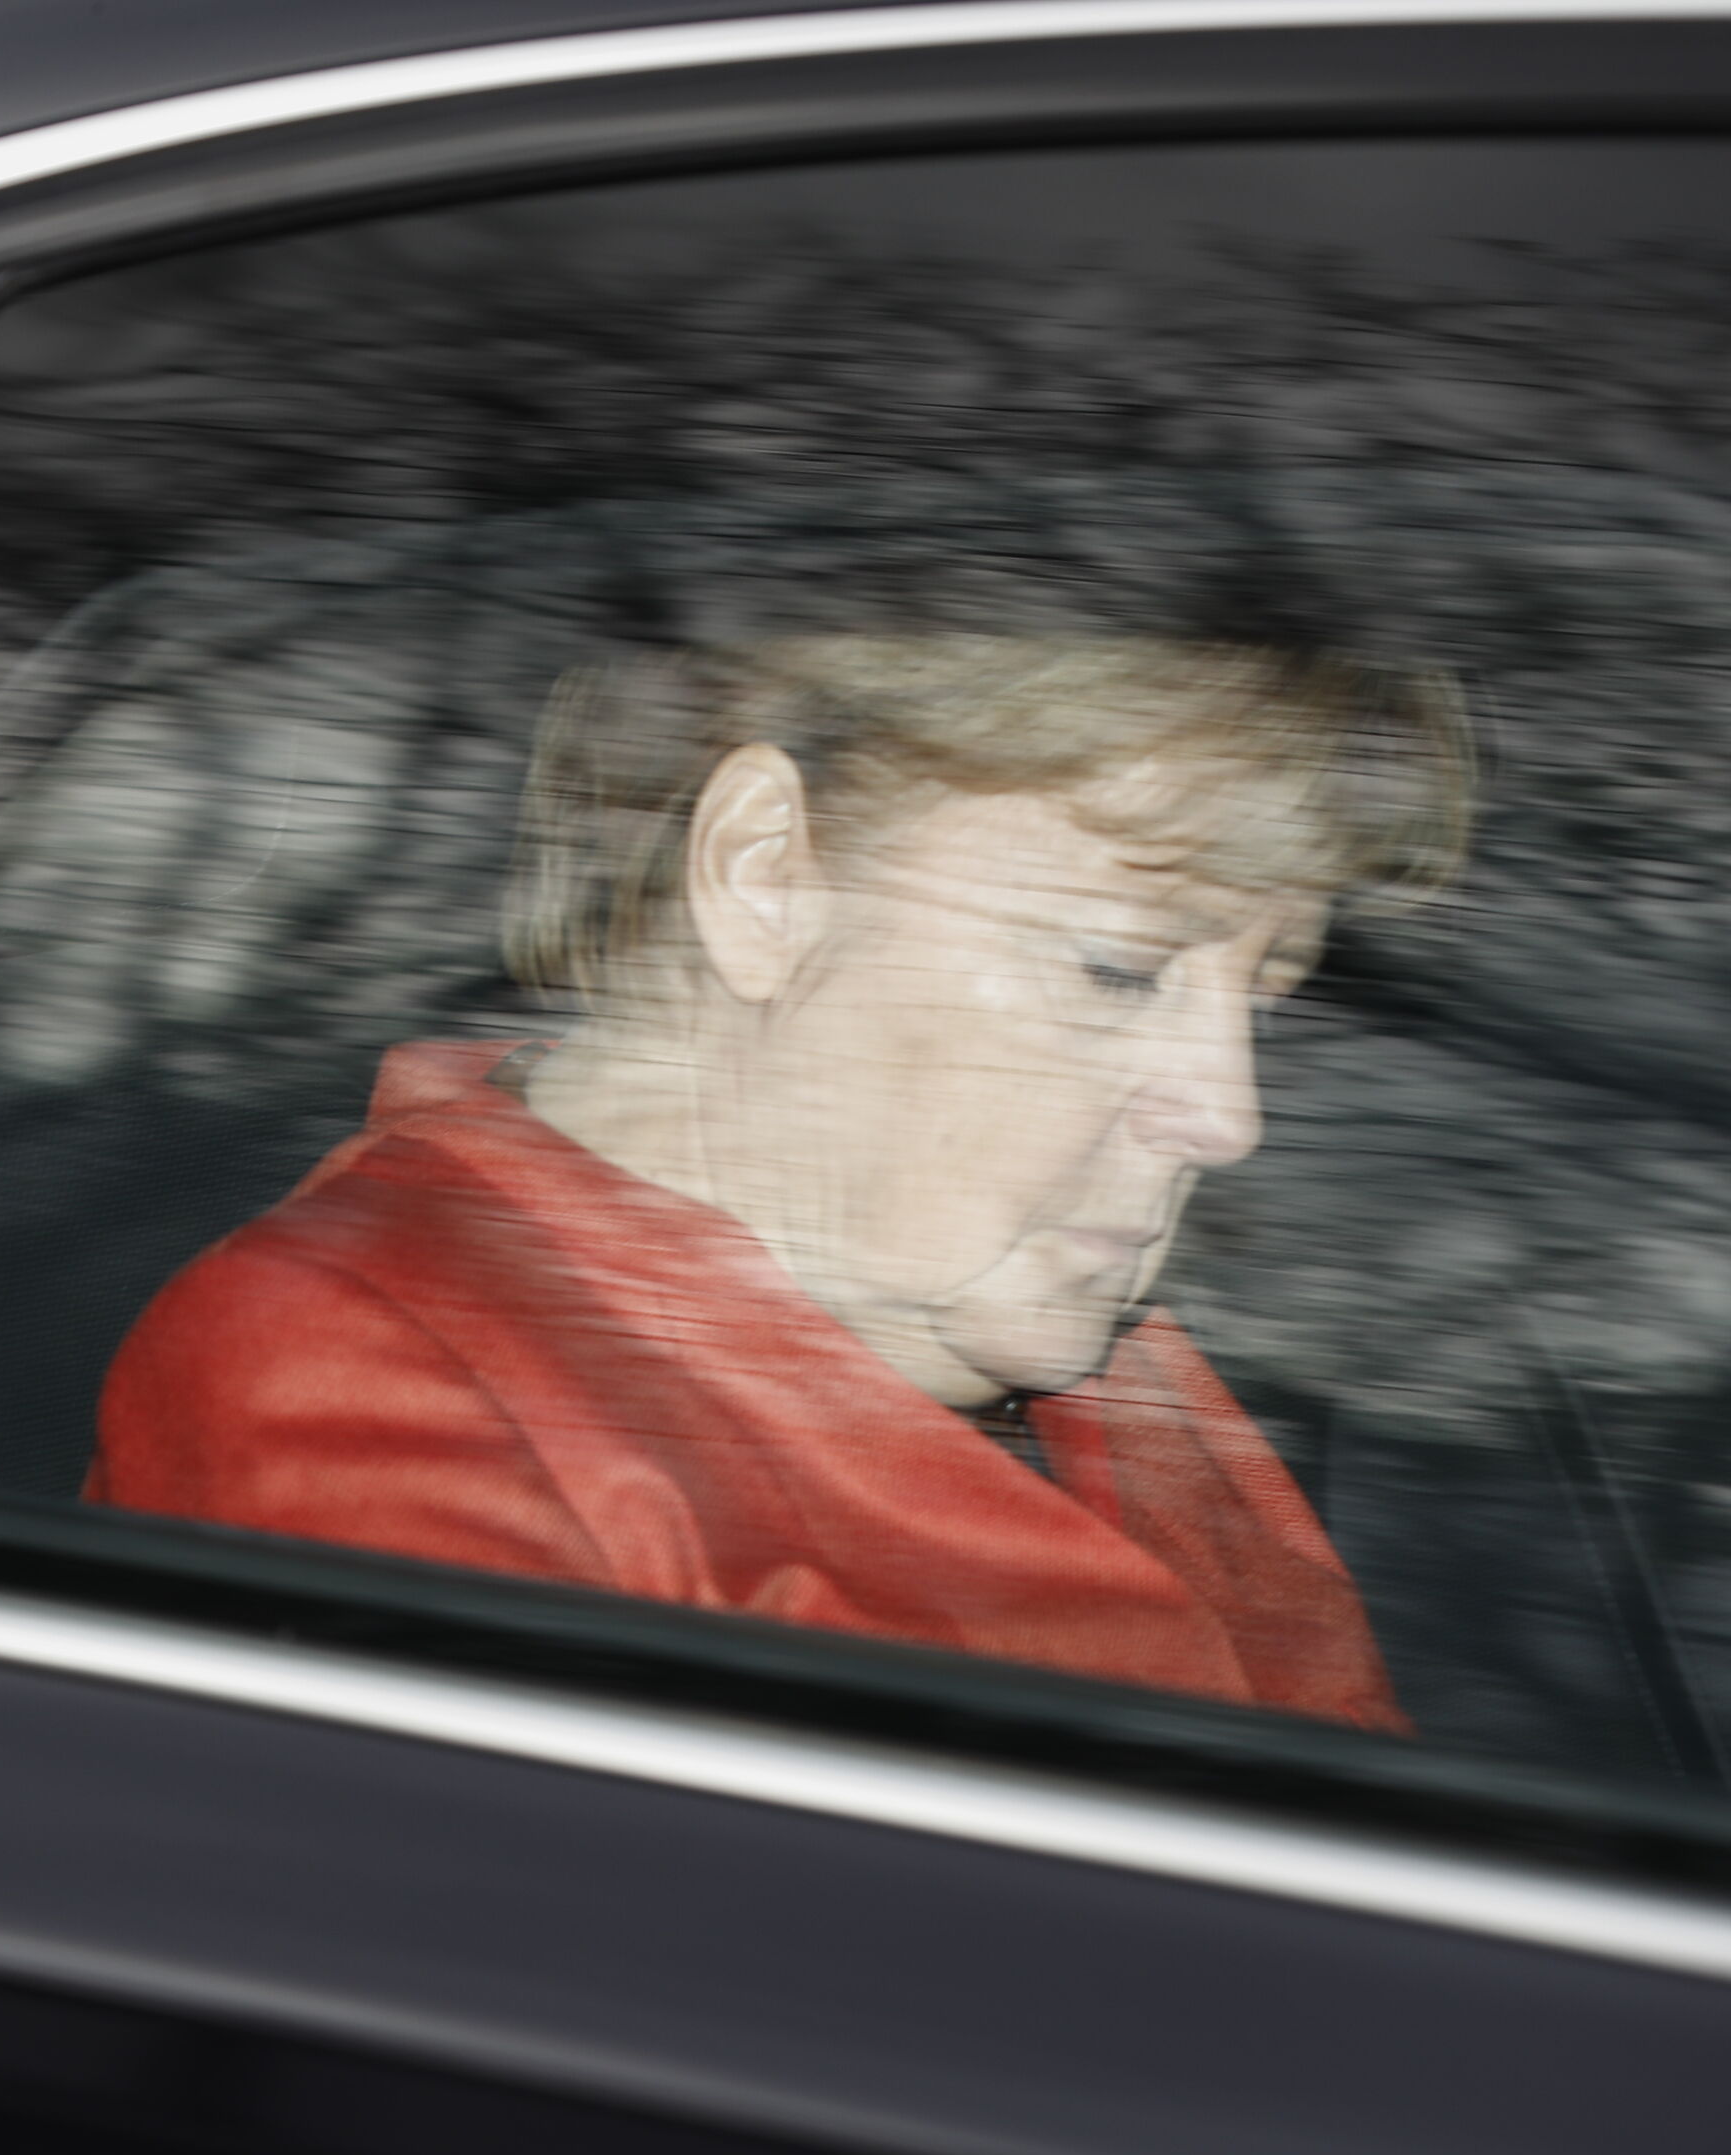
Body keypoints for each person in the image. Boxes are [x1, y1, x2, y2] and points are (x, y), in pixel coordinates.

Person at [90, 634, 1471, 1727]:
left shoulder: (1111, 1372)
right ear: (762, 877)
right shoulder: (373, 1375)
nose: (1230, 1116)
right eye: (1120, 967)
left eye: (1265, 998)